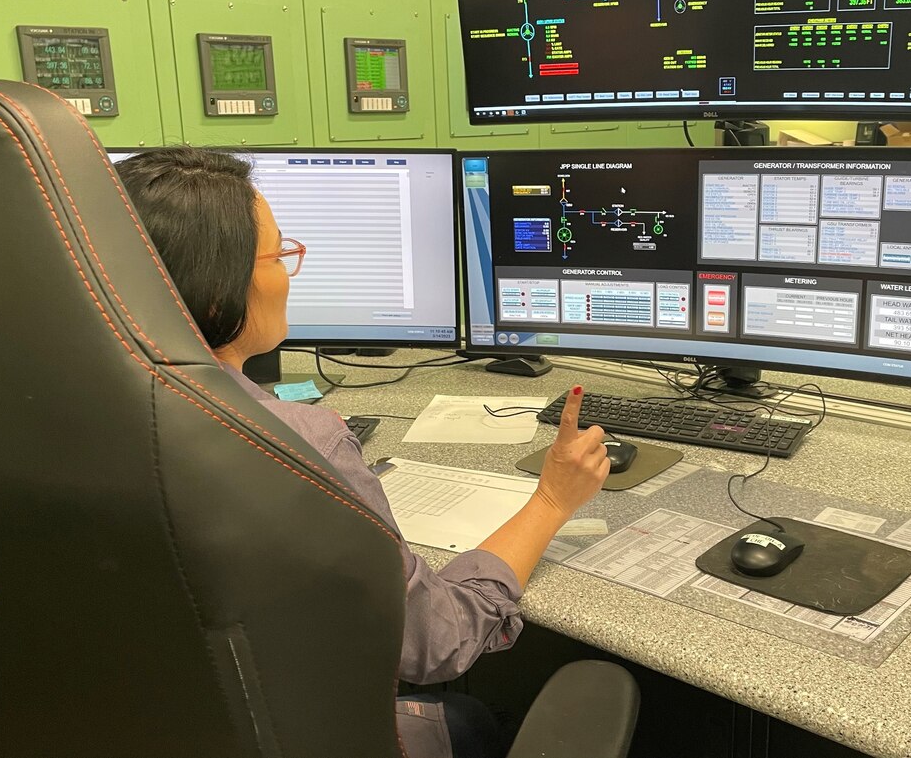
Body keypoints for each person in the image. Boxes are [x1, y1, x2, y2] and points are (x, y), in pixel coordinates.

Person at [114, 148, 610, 758]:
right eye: (278, 255)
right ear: (218, 293)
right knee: (470, 720)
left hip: (149, 726)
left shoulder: (51, 423)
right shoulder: (298, 442)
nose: (289, 272)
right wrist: (554, 497)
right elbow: (436, 640)